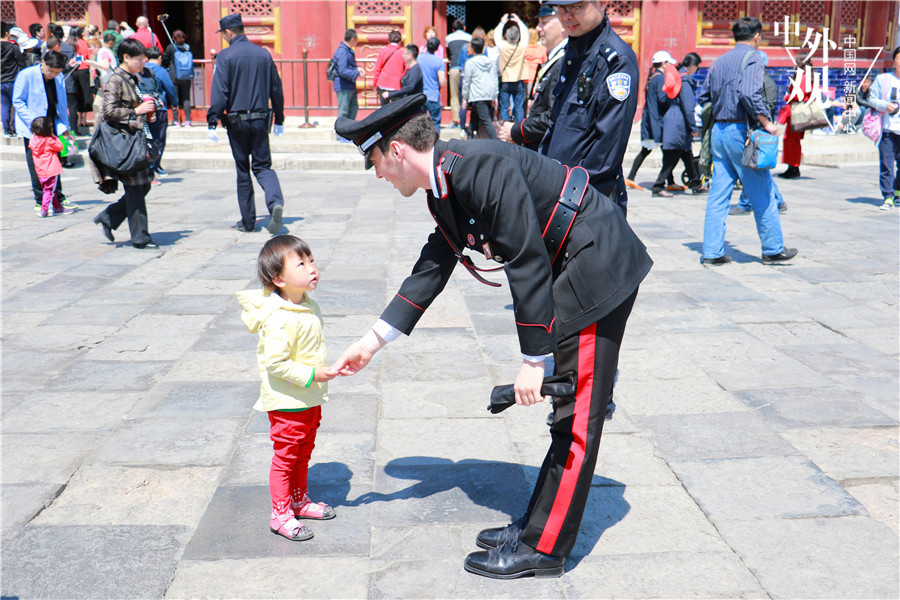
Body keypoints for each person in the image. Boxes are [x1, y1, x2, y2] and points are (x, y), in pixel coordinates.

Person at [333, 94, 652, 579]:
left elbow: (525, 257)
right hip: (576, 262)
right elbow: (434, 266)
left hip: (597, 263)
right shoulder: (445, 181)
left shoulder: (475, 167)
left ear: (396, 151)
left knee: (578, 414)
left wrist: (533, 360)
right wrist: (372, 341)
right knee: (567, 415)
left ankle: (544, 549)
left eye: (374, 161)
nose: (377, 174)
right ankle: (535, 528)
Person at [236, 235, 338, 542]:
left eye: (311, 260)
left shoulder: (308, 305)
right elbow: (275, 364)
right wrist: (314, 374)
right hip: (287, 401)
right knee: (286, 457)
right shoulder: (279, 318)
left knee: (303, 452)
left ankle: (299, 500)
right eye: (301, 263)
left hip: (308, 397)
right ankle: (280, 514)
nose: (312, 268)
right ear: (279, 279)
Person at [697, 17, 797, 265]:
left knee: (718, 195)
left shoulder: (718, 61)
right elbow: (749, 93)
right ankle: (773, 248)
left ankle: (711, 252)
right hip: (742, 133)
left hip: (719, 131)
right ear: (756, 37)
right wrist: (767, 123)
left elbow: (704, 96)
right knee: (761, 190)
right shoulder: (752, 57)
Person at [539, 0, 640, 215]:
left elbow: (607, 151)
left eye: (576, 7)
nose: (567, 15)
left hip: (587, 202)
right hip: (555, 191)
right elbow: (556, 126)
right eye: (562, 8)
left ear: (603, 3)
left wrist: (571, 194)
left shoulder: (616, 61)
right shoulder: (573, 52)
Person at [207, 13, 286, 234]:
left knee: (243, 169)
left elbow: (220, 94)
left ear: (228, 32)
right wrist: (279, 118)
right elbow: (275, 90)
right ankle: (274, 202)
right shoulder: (263, 55)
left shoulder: (224, 56)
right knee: (263, 166)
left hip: (236, 121)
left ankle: (248, 222)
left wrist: (212, 119)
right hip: (261, 119)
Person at [90, 38, 158, 249]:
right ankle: (140, 238)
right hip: (124, 143)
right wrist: (136, 112)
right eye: (139, 59)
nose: (143, 63)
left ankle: (109, 217)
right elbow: (108, 112)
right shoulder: (115, 80)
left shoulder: (130, 78)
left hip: (134, 138)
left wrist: (146, 115)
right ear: (126, 58)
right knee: (137, 188)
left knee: (142, 185)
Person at [497, 3, 568, 150]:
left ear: (563, 23)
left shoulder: (564, 62)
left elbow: (553, 115)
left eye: (544, 22)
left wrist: (517, 131)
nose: (538, 28)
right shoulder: (554, 59)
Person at [12, 50, 76, 211]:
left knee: (55, 161)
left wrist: (65, 126)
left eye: (57, 72)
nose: (53, 75)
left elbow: (61, 103)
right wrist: (33, 122)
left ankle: (57, 197)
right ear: (43, 63)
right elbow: (18, 100)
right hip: (34, 127)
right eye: (51, 71)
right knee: (36, 163)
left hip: (52, 123)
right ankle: (40, 199)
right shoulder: (26, 75)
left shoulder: (59, 77)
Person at [651, 52, 704, 197]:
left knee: (686, 153)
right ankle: (658, 186)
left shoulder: (678, 77)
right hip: (679, 122)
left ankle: (695, 183)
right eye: (697, 67)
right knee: (673, 155)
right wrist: (693, 128)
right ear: (692, 65)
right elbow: (688, 108)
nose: (696, 70)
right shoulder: (685, 81)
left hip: (674, 119)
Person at [625, 51, 672, 190]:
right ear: (664, 64)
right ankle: (668, 181)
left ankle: (669, 180)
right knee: (665, 151)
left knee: (654, 151)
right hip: (656, 120)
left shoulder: (654, 77)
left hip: (652, 119)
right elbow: (662, 99)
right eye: (668, 63)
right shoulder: (660, 78)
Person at [868, 47, 900, 210]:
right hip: (887, 131)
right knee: (887, 165)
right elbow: (871, 99)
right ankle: (888, 196)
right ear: (894, 60)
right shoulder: (883, 79)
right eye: (899, 58)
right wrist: (884, 105)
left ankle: (898, 193)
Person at [777, 52, 813, 179]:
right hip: (797, 111)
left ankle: (793, 167)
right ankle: (792, 166)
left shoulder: (802, 77)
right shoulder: (805, 76)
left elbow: (799, 95)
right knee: (791, 140)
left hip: (797, 112)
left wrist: (787, 96)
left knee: (791, 140)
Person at [143, 46, 177, 179]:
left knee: (149, 137)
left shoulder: (141, 69)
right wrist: (174, 103)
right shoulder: (161, 71)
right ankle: (154, 166)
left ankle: (151, 165)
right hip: (159, 108)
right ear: (159, 58)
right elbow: (169, 87)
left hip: (145, 108)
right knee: (159, 138)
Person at [28, 116, 72, 217]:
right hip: (51, 171)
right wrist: (54, 136)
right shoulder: (49, 141)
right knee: (49, 191)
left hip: (41, 171)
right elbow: (60, 146)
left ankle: (57, 207)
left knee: (51, 189)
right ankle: (44, 210)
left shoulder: (33, 140)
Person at [493, 13, 529, 124]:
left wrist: (502, 22)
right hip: (518, 80)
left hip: (506, 80)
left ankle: (504, 126)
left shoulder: (503, 46)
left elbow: (496, 35)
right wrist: (519, 22)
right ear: (518, 36)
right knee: (518, 107)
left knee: (504, 106)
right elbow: (526, 34)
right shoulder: (521, 47)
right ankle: (517, 128)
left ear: (507, 36)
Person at [461, 37, 498, 139]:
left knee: (486, 121)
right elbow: (495, 79)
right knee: (474, 117)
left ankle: (496, 142)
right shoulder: (491, 62)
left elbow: (466, 81)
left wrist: (464, 98)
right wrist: (495, 95)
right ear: (483, 49)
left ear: (472, 49)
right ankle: (470, 138)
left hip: (477, 95)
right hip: (489, 94)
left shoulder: (470, 63)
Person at [161, 29, 193, 127]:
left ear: (174, 38)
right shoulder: (187, 47)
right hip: (186, 75)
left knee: (175, 98)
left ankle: (176, 121)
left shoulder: (171, 47)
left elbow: (165, 59)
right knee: (186, 97)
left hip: (174, 75)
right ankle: (188, 120)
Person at [332, 28, 363, 125]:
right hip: (343, 85)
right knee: (344, 110)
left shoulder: (347, 50)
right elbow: (343, 70)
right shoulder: (342, 51)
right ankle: (341, 133)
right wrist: (357, 73)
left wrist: (357, 68)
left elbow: (349, 66)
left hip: (349, 84)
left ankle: (349, 130)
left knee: (353, 107)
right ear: (352, 39)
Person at [1, 22, 26, 136]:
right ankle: (16, 127)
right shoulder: (13, 47)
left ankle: (6, 130)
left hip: (1, 81)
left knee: (5, 105)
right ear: (7, 33)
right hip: (13, 80)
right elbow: (21, 63)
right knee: (17, 104)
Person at [445, 19, 470, 129]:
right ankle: (465, 119)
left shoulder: (448, 38)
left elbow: (448, 53)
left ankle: (456, 120)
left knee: (454, 95)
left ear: (452, 29)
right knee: (465, 96)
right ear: (464, 28)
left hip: (454, 67)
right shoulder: (469, 37)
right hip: (467, 69)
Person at [418, 36, 445, 129]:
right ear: (437, 48)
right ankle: (435, 143)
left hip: (420, 95)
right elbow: (442, 81)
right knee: (435, 122)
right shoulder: (439, 62)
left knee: (421, 122)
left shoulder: (419, 58)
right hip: (433, 95)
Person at [372, 30, 405, 107]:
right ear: (400, 41)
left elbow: (377, 69)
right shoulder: (402, 53)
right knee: (396, 109)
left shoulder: (382, 51)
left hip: (383, 84)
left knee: (384, 109)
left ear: (388, 40)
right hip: (396, 85)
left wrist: (375, 84)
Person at [522, 27, 548, 96]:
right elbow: (544, 63)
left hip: (523, 77)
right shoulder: (542, 49)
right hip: (536, 78)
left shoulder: (524, 49)